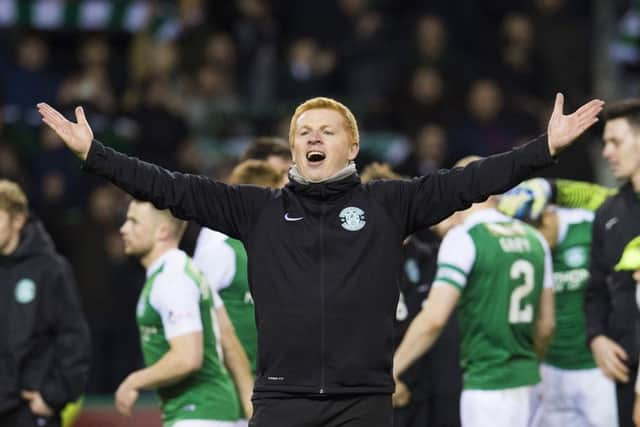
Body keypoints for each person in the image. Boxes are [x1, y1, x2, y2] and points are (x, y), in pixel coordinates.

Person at [37, 93, 602, 427]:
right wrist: (96, 155)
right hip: (282, 400)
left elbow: (471, 181)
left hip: (364, 402)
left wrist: (543, 149)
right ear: (293, 149)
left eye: (326, 130)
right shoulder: (255, 210)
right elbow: (171, 188)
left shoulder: (390, 203)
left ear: (351, 148)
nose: (313, 136)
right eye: (303, 131)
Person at [392, 156, 555, 427]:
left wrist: (394, 369)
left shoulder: (465, 238)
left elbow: (433, 320)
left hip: (486, 388)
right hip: (530, 384)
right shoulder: (534, 238)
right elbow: (547, 325)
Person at [499, 180, 618, 427]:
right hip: (550, 370)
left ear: (549, 214)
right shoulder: (520, 248)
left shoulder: (588, 226)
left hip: (597, 369)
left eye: (534, 229)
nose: (532, 241)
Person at [115, 199, 243, 426]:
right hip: (213, 412)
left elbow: (187, 358)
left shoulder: (171, 279)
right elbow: (228, 337)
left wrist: (134, 381)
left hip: (199, 413)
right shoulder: (186, 270)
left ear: (162, 231)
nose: (124, 229)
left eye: (134, 222)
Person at [193, 159, 284, 427]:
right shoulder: (221, 247)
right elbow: (202, 317)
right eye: (280, 195)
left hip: (266, 388)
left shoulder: (268, 245)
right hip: (228, 397)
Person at [0, 179, 90, 427]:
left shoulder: (51, 270)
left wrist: (53, 396)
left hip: (29, 411)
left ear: (17, 220)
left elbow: (74, 340)